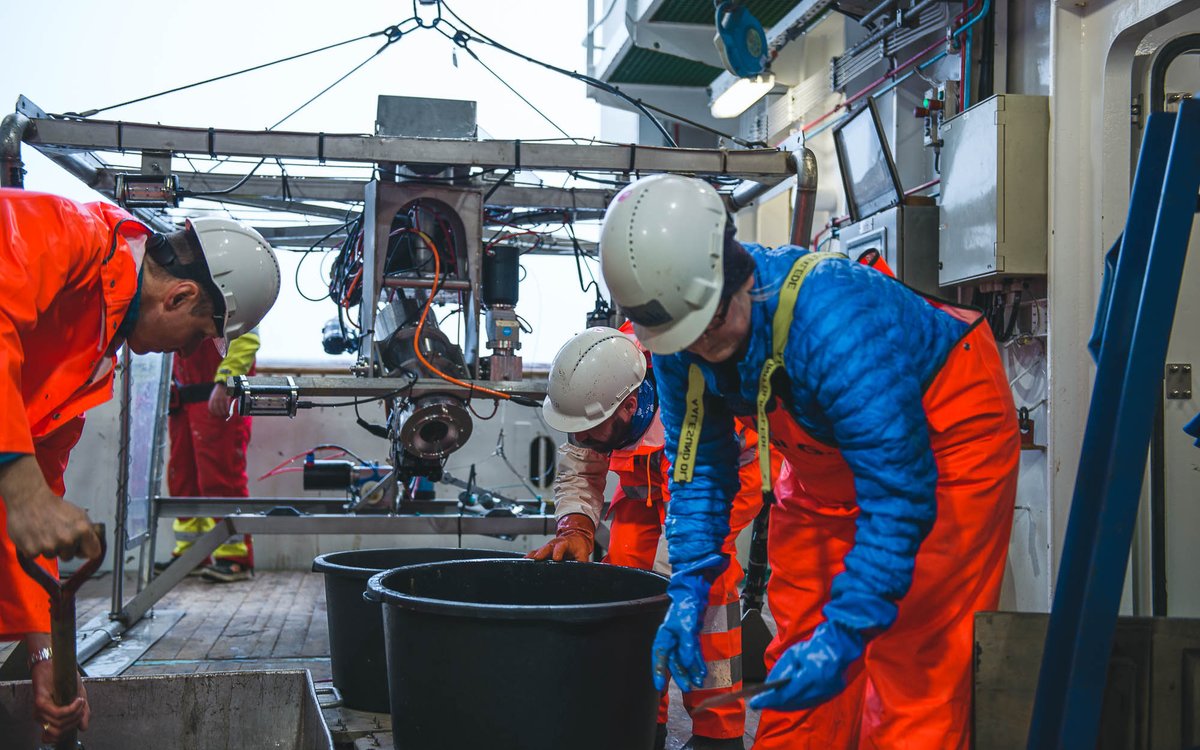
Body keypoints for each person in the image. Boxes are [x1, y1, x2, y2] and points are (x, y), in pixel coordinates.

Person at [598, 173, 1020, 749]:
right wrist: (691, 581)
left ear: (737, 272)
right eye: (685, 339)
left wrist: (848, 630)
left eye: (713, 327)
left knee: (912, 659)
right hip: (822, 454)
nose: (703, 350)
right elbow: (699, 468)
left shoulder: (834, 317)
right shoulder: (678, 338)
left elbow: (897, 497)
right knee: (800, 648)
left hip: (943, 435)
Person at [0, 189, 280, 743]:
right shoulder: (63, 233)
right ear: (179, 296)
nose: (187, 351)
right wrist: (20, 481)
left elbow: (36, 510)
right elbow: (27, 489)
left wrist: (45, 652)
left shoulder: (90, 359)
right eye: (200, 335)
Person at [529, 324, 781, 750]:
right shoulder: (604, 378)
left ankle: (717, 735)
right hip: (647, 490)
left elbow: (686, 531)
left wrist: (665, 588)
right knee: (624, 573)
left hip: (725, 480)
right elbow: (580, 464)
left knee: (704, 594)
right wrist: (576, 525)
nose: (583, 440)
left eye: (590, 432)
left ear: (630, 407)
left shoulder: (697, 400)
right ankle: (643, 718)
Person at [165, 331, 261, 582]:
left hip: (217, 398)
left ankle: (235, 556)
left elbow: (246, 339)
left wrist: (226, 382)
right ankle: (192, 554)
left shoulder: (237, 293)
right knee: (182, 479)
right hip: (184, 399)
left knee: (222, 478)